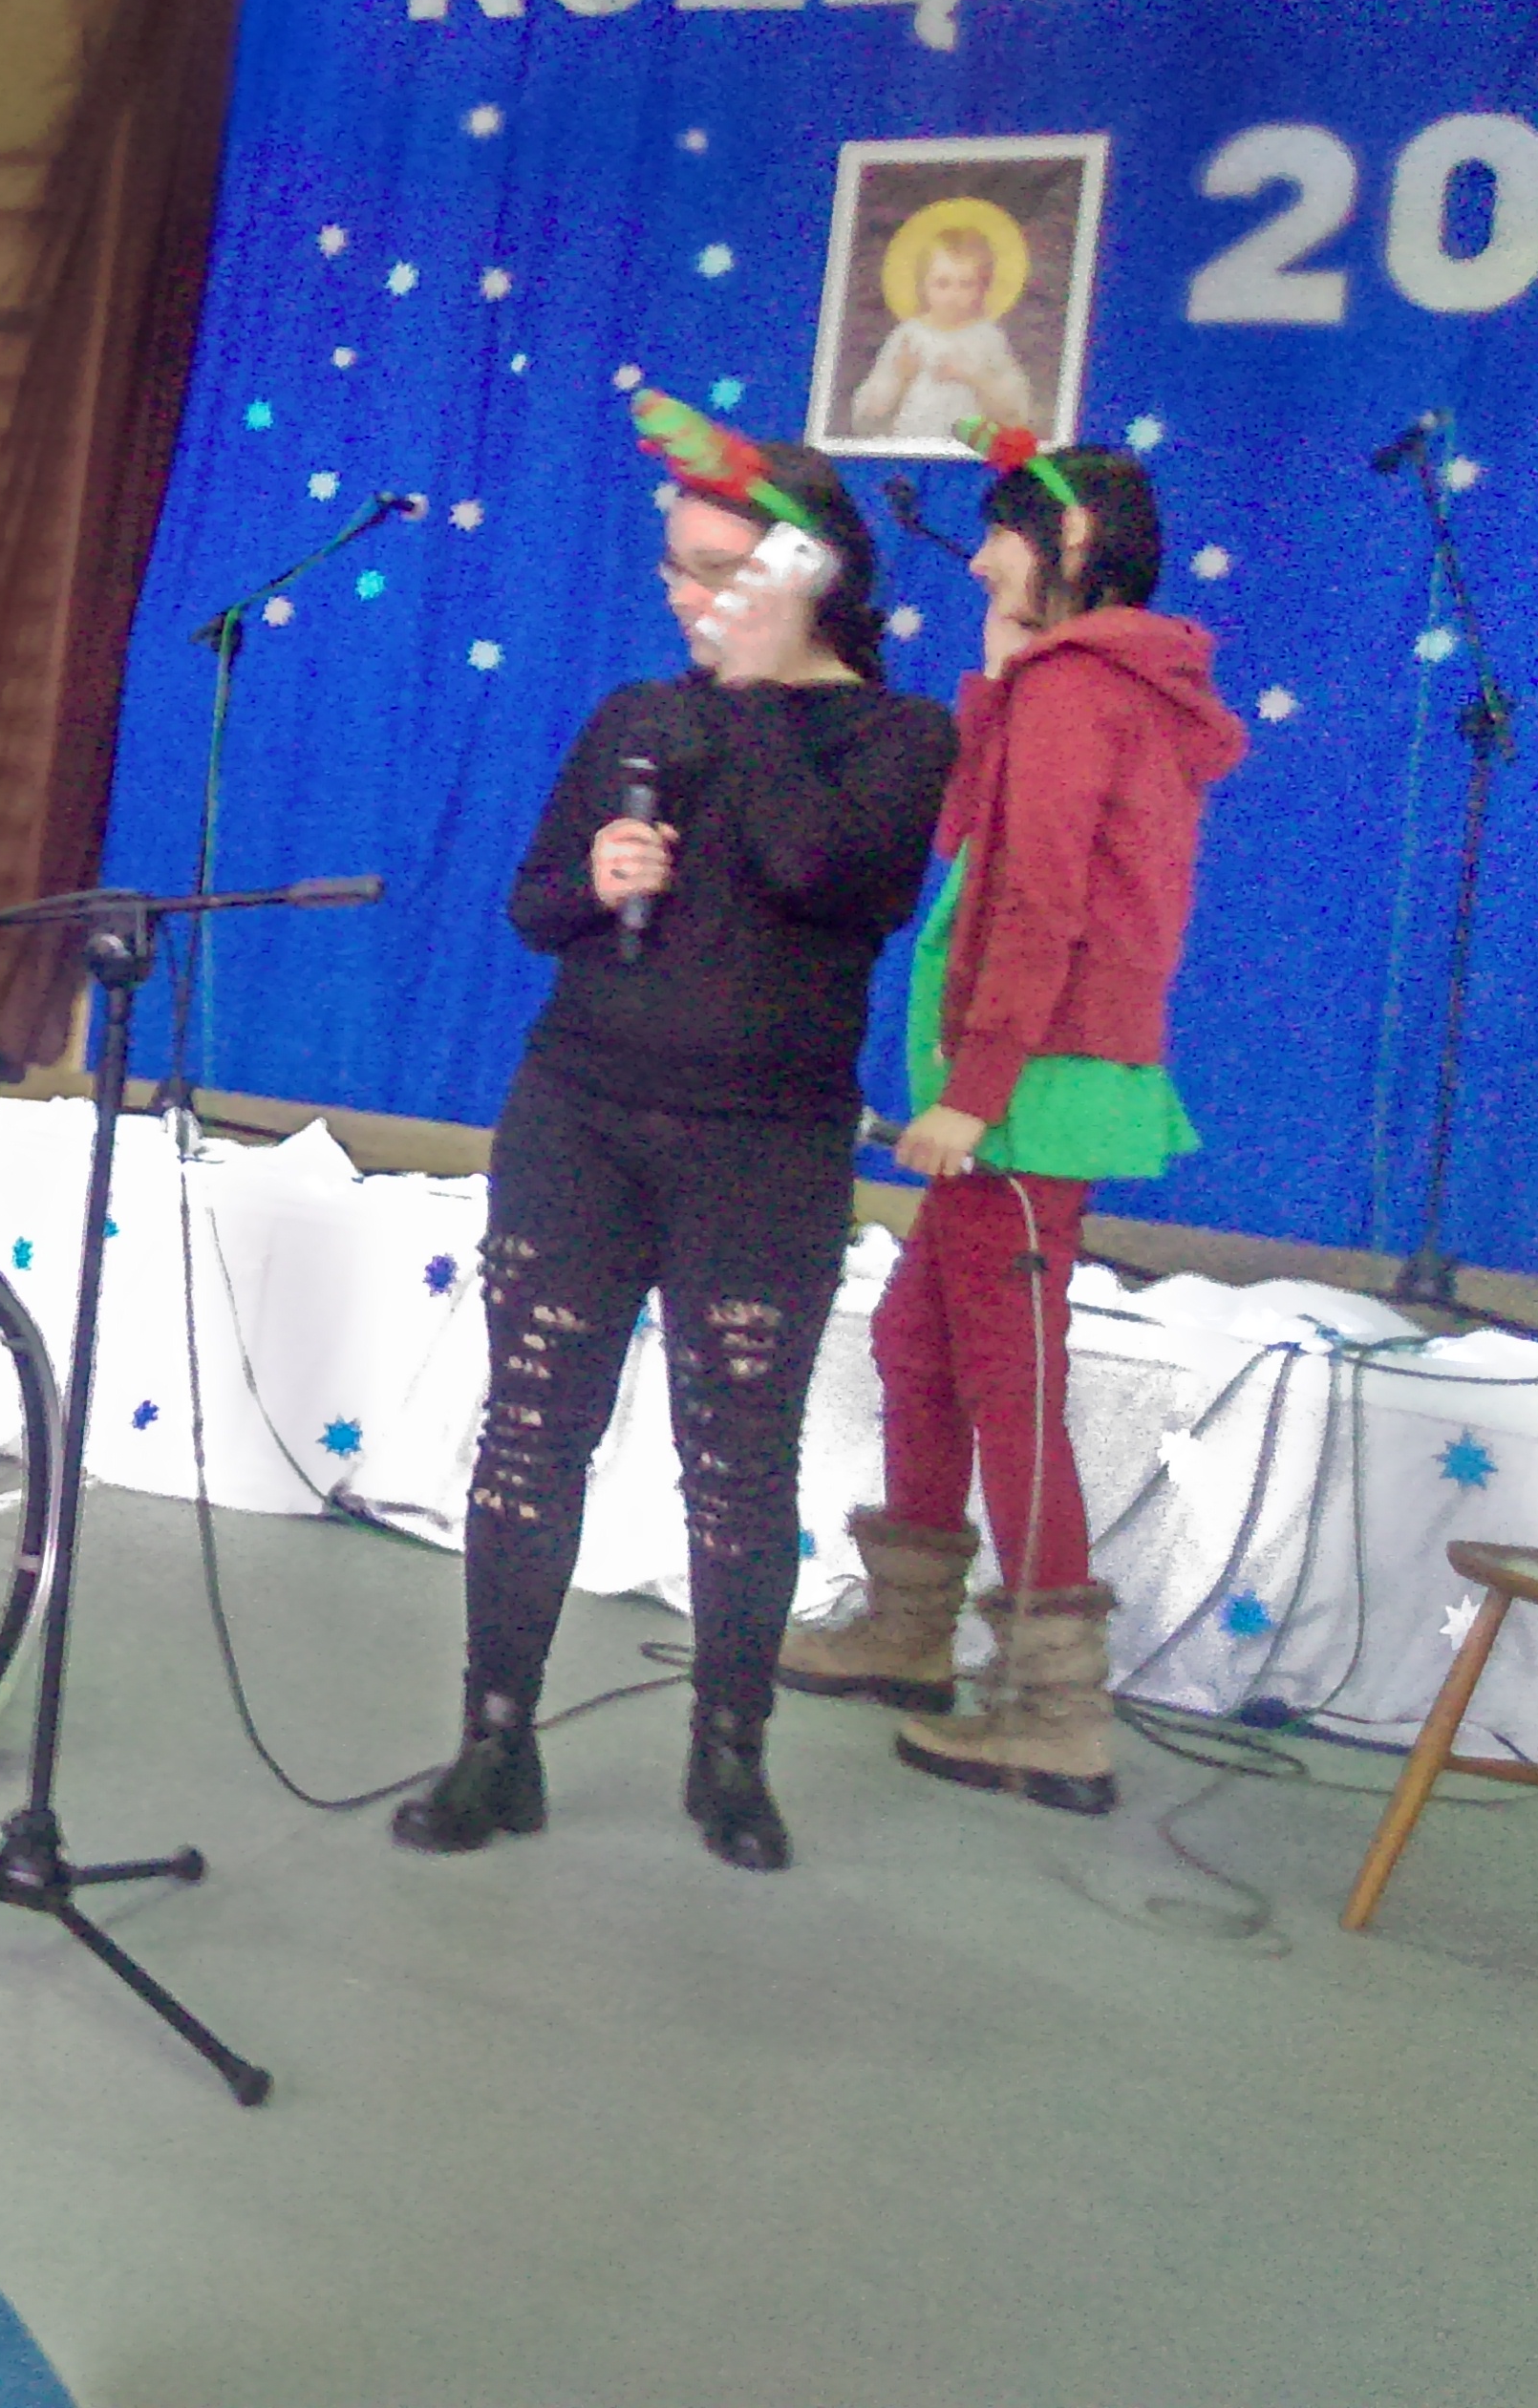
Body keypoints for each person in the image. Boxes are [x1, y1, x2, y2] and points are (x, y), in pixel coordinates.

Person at [392, 423, 954, 1874]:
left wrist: (755, 694)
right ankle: (495, 1742)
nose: (686, 597)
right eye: (677, 569)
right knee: (531, 1431)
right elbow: (531, 906)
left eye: (720, 572)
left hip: (764, 1149)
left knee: (740, 1462)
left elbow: (826, 874)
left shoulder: (899, 739)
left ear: (810, 575)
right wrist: (593, 877)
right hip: (580, 1115)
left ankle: (730, 1756)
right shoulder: (634, 715)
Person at [778, 438, 1243, 1814]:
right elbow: (977, 843)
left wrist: (974, 1093)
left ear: (1073, 541)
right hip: (1017, 1087)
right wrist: (1000, 662)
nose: (978, 558)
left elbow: (1039, 900)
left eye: (1002, 536)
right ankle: (911, 1629)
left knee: (1008, 1379)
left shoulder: (1080, 689)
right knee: (917, 1341)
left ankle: (1052, 1707)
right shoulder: (1078, 681)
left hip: (1029, 1097)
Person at [848, 224, 1031, 442]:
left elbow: (1016, 412)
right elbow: (868, 414)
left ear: (983, 287)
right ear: (923, 285)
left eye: (966, 284)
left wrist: (975, 377)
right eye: (942, 284)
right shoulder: (908, 335)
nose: (954, 295)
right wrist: (900, 376)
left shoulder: (988, 338)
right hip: (911, 442)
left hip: (969, 446)